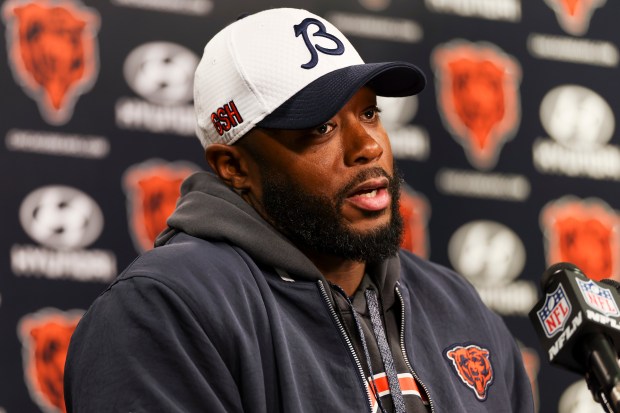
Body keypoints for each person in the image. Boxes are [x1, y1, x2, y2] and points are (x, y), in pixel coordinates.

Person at [64, 7, 534, 413]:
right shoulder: (164, 309)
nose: (368, 146)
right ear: (234, 166)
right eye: (322, 127)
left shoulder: (454, 304)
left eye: (369, 113)